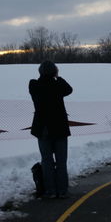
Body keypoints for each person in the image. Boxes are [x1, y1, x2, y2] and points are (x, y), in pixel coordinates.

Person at [29, 60, 73, 199]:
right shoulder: (57, 85)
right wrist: (57, 76)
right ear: (54, 71)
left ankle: (50, 190)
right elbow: (69, 89)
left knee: (46, 161)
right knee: (61, 160)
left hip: (43, 129)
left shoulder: (34, 85)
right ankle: (62, 190)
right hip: (59, 128)